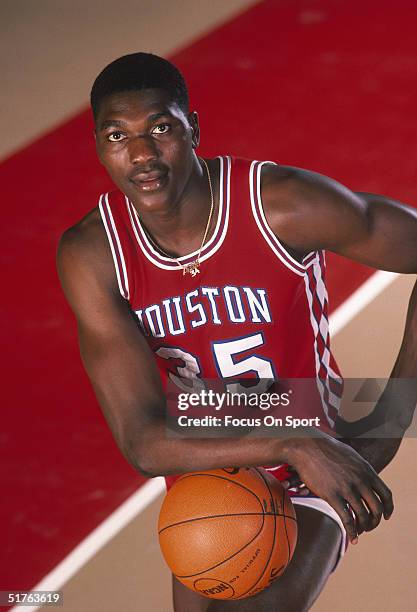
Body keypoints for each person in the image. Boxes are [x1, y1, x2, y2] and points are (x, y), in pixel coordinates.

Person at [57, 53, 417, 611]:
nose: (143, 154)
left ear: (193, 128)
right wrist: (294, 441)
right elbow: (142, 441)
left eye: (161, 127)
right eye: (116, 135)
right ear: (99, 147)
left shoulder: (284, 206)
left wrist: (390, 415)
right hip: (209, 464)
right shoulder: (94, 255)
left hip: (311, 453)